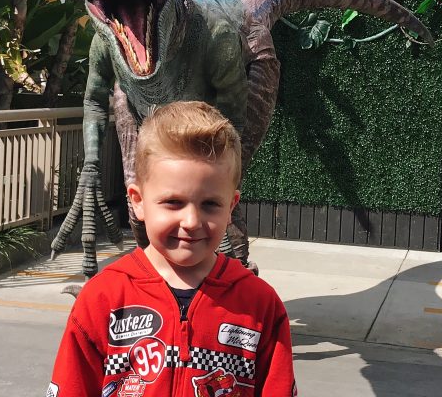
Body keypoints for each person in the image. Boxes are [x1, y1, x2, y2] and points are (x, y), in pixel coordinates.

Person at [47, 101, 297, 397]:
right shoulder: (102, 298)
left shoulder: (260, 305)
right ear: (137, 201)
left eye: (210, 204)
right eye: (173, 203)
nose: (191, 221)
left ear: (231, 207)